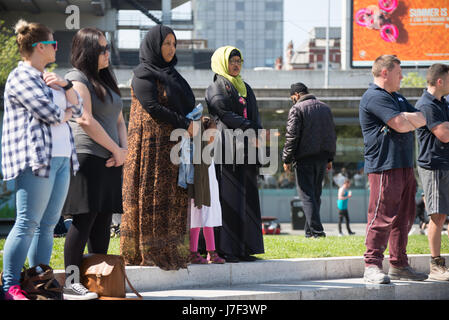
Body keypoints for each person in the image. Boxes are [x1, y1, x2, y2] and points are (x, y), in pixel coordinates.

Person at [1, 19, 82, 300]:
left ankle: (37, 279)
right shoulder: (21, 77)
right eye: (52, 43)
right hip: (36, 159)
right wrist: (67, 111)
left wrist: (67, 84)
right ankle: (9, 285)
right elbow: (50, 113)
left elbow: (79, 107)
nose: (56, 48)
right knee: (27, 223)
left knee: (48, 225)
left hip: (61, 158)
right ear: (38, 47)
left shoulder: (51, 77)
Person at [120, 25, 195, 270]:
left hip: (172, 149)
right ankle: (146, 253)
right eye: (166, 44)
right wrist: (186, 123)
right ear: (154, 45)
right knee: (149, 197)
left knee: (171, 200)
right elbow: (153, 107)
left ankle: (168, 251)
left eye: (174, 44)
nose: (171, 49)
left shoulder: (173, 74)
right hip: (148, 150)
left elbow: (186, 104)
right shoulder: (142, 74)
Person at [62, 27, 127, 300]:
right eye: (101, 49)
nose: (107, 52)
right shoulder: (76, 78)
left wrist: (123, 151)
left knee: (102, 221)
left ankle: (97, 281)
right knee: (83, 219)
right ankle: (71, 284)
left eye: (107, 46)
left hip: (113, 160)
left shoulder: (106, 80)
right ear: (87, 51)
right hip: (89, 158)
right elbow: (86, 120)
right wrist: (116, 149)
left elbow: (120, 120)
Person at [359, 54, 428, 284]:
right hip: (384, 166)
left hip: (405, 165)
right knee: (381, 217)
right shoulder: (374, 97)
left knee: (404, 218)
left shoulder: (396, 98)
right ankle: (372, 265)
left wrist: (405, 119)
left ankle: (399, 265)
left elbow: (422, 118)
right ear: (385, 73)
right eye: (399, 72)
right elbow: (399, 125)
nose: (402, 76)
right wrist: (405, 121)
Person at [205, 46, 264, 262]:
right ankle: (226, 249)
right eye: (232, 61)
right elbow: (223, 113)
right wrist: (252, 127)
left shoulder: (245, 88)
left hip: (247, 149)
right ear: (222, 63)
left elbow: (256, 115)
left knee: (247, 199)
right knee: (228, 199)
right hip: (226, 149)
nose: (236, 64)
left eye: (239, 60)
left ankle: (245, 248)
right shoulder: (215, 87)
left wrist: (257, 134)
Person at [282, 82, 336, 238]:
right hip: (322, 158)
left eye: (292, 97)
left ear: (297, 95)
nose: (293, 100)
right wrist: (330, 157)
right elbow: (331, 135)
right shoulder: (325, 108)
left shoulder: (297, 109)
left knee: (306, 195)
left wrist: (286, 159)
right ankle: (309, 232)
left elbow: (291, 136)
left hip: (304, 158)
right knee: (315, 195)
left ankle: (318, 232)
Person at [415, 63, 449, 281]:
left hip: (445, 164)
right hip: (434, 166)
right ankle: (436, 266)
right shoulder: (426, 105)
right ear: (440, 81)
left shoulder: (442, 102)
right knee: (437, 216)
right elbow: (445, 134)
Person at [188, 117, 225, 264]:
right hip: (201, 192)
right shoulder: (198, 151)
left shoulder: (207, 151)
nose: (214, 137)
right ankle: (194, 252)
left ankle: (211, 252)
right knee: (196, 220)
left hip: (209, 190)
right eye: (212, 134)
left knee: (208, 219)